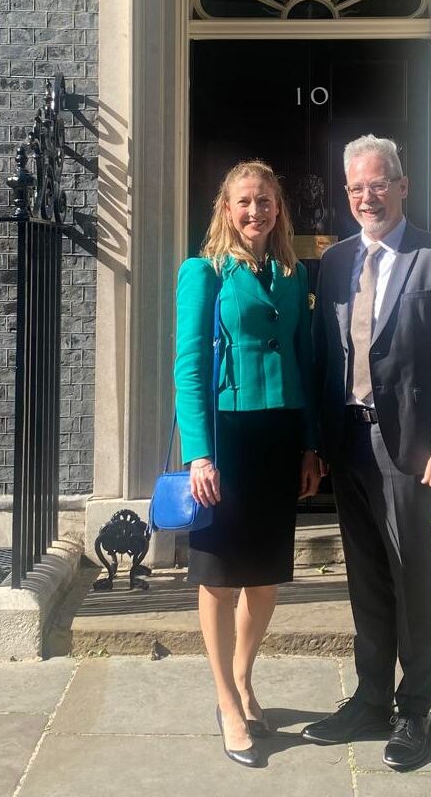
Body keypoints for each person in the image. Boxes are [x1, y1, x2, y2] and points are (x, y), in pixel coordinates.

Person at [303, 134, 431, 771]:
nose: (367, 196)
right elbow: (328, 357)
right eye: (356, 188)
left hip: (409, 446)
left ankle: (415, 708)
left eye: (378, 183)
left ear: (403, 185)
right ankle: (372, 697)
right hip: (348, 438)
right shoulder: (335, 260)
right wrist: (316, 442)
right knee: (365, 574)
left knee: (412, 577)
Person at [175, 160, 322, 769]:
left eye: (265, 200)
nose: (255, 210)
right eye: (244, 201)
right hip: (226, 435)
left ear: (278, 209)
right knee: (218, 574)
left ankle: (242, 678)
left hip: (279, 431)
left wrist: (311, 443)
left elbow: (305, 358)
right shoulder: (202, 273)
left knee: (263, 574)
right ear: (226, 208)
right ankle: (225, 700)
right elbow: (187, 366)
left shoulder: (293, 275)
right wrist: (198, 453)